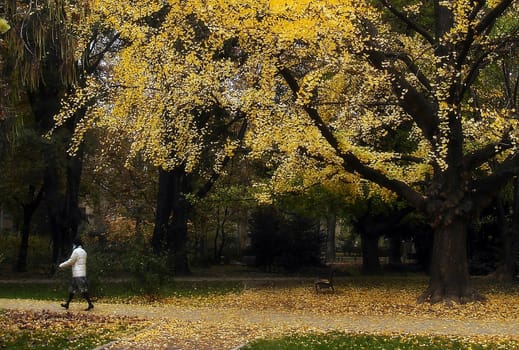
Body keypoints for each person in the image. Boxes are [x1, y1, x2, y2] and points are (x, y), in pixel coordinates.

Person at [58, 238, 94, 311]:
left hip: (78, 274)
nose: (72, 245)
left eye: (73, 244)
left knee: (83, 290)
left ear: (76, 244)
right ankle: (67, 304)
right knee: (72, 290)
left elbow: (71, 261)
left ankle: (90, 304)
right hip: (80, 273)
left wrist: (62, 265)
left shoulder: (76, 251)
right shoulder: (84, 251)